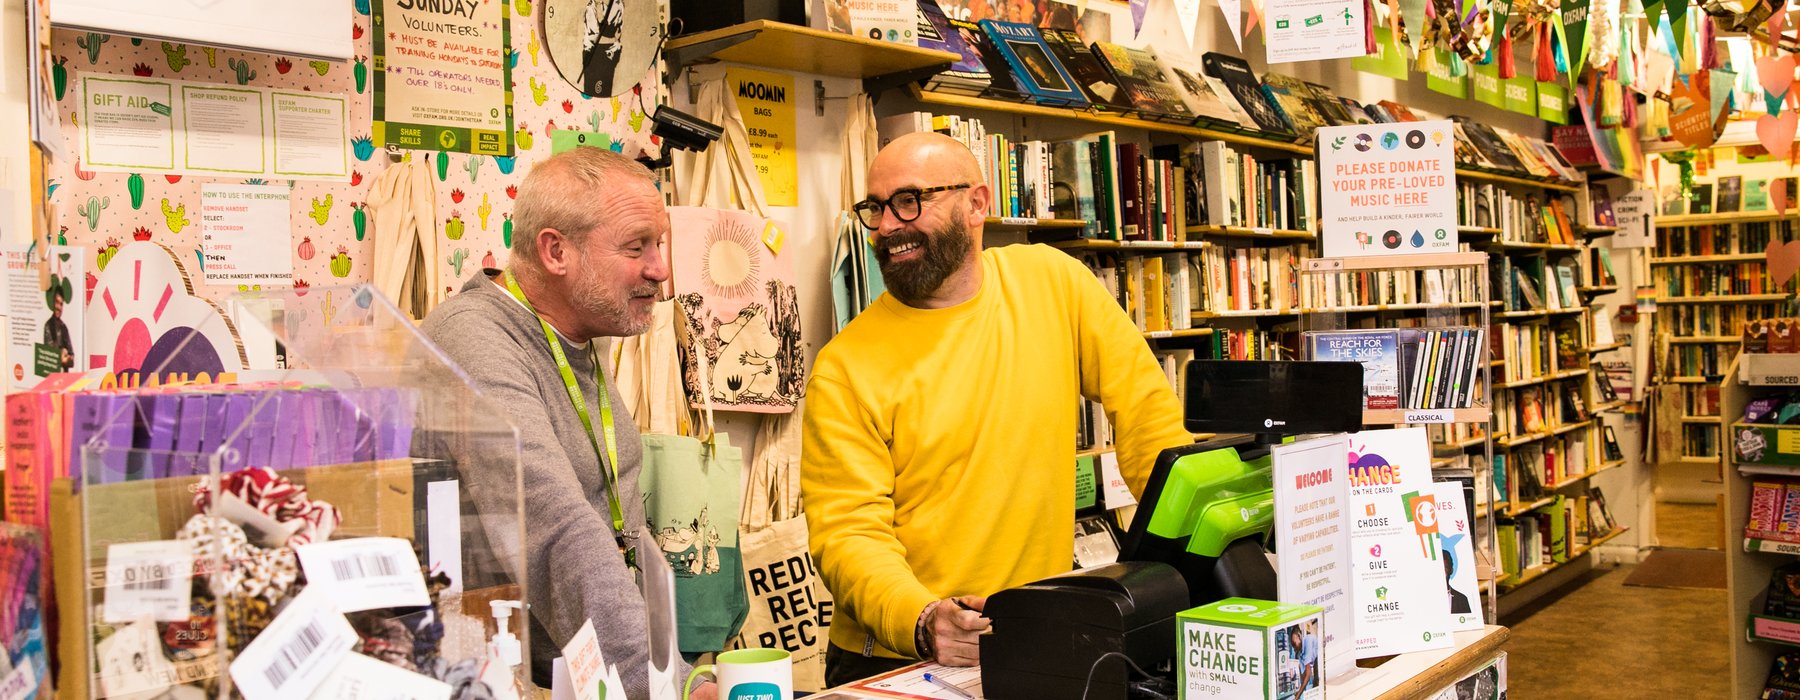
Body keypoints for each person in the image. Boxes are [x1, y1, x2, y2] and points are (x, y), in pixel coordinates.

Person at [801, 132, 1192, 686]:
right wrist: (921, 619)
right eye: (876, 208)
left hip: (1040, 634)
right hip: (901, 657)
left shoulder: (1053, 282)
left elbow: (1147, 415)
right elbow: (847, 533)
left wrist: (1186, 553)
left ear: (977, 203)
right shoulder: (845, 367)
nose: (887, 226)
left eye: (910, 201)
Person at [420, 148, 713, 700]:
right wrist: (668, 687)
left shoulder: (572, 333)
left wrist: (676, 669)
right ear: (556, 251)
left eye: (660, 243)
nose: (660, 268)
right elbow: (555, 524)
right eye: (636, 246)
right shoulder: (476, 339)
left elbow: (613, 521)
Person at [42, 292, 73, 372]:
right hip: (52, 378)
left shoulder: (64, 327)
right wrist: (62, 353)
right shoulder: (48, 325)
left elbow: (72, 357)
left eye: (61, 304)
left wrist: (65, 356)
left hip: (64, 378)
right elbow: (49, 356)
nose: (59, 307)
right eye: (56, 302)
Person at [1289, 624, 1318, 691]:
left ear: (1299, 636)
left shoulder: (1308, 642)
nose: (1294, 648)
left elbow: (1308, 675)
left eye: (1294, 643)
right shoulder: (1300, 654)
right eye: (1292, 645)